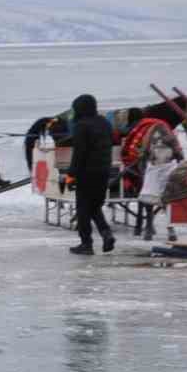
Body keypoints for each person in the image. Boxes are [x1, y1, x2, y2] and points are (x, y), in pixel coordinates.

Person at [67, 93, 115, 255]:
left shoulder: (81, 125)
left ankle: (86, 244)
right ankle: (106, 234)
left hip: (86, 174)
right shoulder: (105, 123)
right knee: (94, 206)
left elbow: (79, 153)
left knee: (83, 209)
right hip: (104, 172)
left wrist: (71, 174)